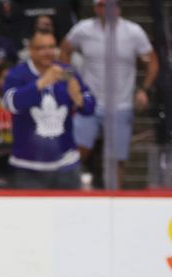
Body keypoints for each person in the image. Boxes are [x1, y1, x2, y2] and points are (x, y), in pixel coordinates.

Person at [60, 0, 158, 188]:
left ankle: (114, 195)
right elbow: (64, 50)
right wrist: (70, 80)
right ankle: (72, 189)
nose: (110, 8)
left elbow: (151, 61)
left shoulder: (133, 32)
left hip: (121, 104)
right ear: (97, 8)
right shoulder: (83, 29)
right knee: (77, 150)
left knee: (116, 158)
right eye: (104, 4)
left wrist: (144, 89)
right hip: (89, 101)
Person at [3, 29, 96, 189]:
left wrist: (78, 99)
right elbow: (12, 103)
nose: (48, 52)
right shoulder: (18, 74)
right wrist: (42, 82)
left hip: (66, 165)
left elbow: (89, 107)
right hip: (28, 167)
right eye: (42, 48)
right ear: (31, 50)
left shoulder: (65, 73)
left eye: (52, 47)